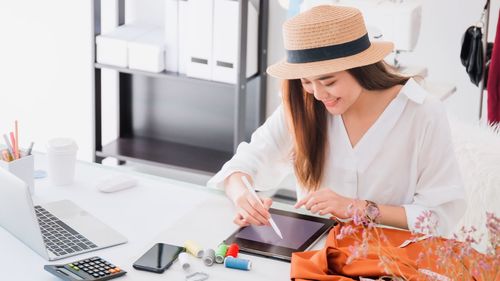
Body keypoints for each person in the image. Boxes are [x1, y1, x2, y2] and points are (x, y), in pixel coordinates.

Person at [207, 5, 465, 236]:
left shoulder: (422, 113)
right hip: (314, 260)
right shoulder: (304, 106)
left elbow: (439, 218)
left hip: (390, 263)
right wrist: (244, 196)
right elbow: (241, 166)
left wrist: (358, 208)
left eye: (328, 81)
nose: (318, 94)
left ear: (361, 68)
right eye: (307, 82)